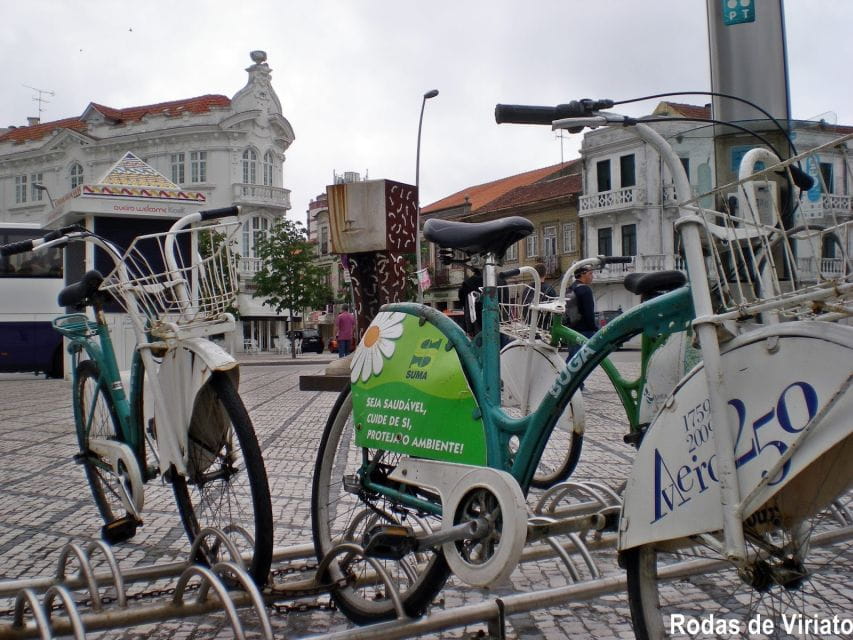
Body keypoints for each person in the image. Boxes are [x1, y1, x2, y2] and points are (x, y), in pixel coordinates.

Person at [567, 265, 597, 338]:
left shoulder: (570, 289)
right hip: (585, 331)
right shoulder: (585, 289)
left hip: (571, 331)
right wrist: (594, 328)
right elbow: (589, 313)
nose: (592, 276)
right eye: (590, 273)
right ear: (582, 274)